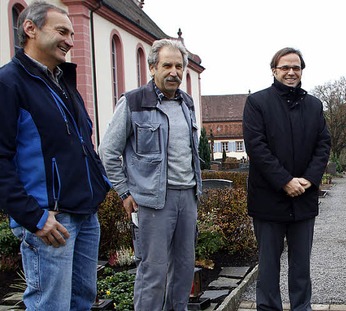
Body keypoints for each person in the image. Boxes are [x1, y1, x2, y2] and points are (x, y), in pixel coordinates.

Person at [0, 1, 110, 310]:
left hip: (85, 214)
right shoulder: (9, 83)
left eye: (73, 34)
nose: (71, 41)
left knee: (82, 302)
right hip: (51, 221)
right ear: (30, 29)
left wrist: (99, 188)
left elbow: (82, 142)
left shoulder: (62, 82)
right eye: (62, 31)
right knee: (51, 306)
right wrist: (34, 217)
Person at [99, 39, 202, 310]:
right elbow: (107, 152)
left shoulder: (187, 103)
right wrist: (124, 192)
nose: (174, 72)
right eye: (167, 65)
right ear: (152, 67)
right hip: (153, 202)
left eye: (179, 66)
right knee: (153, 273)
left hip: (187, 197)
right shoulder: (133, 102)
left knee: (183, 270)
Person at [243, 47, 331, 311]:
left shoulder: (314, 105)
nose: (291, 72)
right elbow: (256, 147)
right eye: (285, 67)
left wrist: (309, 179)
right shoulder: (257, 103)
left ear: (301, 70)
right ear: (274, 70)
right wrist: (284, 181)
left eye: (296, 67)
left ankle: (301, 307)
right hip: (268, 199)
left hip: (303, 197)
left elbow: (323, 144)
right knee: (268, 266)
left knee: (301, 266)